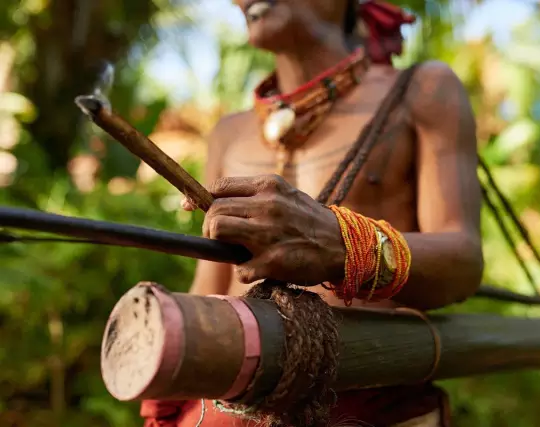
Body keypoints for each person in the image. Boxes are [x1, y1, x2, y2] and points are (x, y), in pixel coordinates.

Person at [141, 0, 483, 425]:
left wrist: (340, 243)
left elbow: (463, 262)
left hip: (367, 405)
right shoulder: (229, 132)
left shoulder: (423, 90)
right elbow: (208, 289)